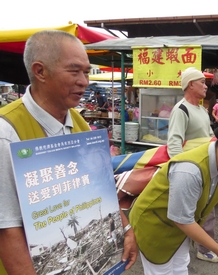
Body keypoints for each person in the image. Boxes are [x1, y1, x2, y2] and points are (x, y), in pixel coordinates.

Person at [0, 30, 138, 275]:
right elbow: (7, 229)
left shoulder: (78, 121)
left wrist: (125, 229)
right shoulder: (7, 132)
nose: (84, 81)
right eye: (74, 71)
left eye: (86, 71)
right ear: (40, 71)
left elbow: (101, 189)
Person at [130, 123, 218, 274]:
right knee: (162, 270)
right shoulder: (189, 171)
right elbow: (183, 220)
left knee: (180, 266)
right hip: (155, 225)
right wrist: (217, 249)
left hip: (181, 226)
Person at [166, 67, 218, 263]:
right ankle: (197, 249)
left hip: (206, 168)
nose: (206, 86)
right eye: (202, 82)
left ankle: (204, 247)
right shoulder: (180, 110)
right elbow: (174, 144)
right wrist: (181, 172)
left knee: (207, 209)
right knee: (189, 213)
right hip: (190, 172)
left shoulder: (202, 109)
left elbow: (209, 137)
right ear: (190, 84)